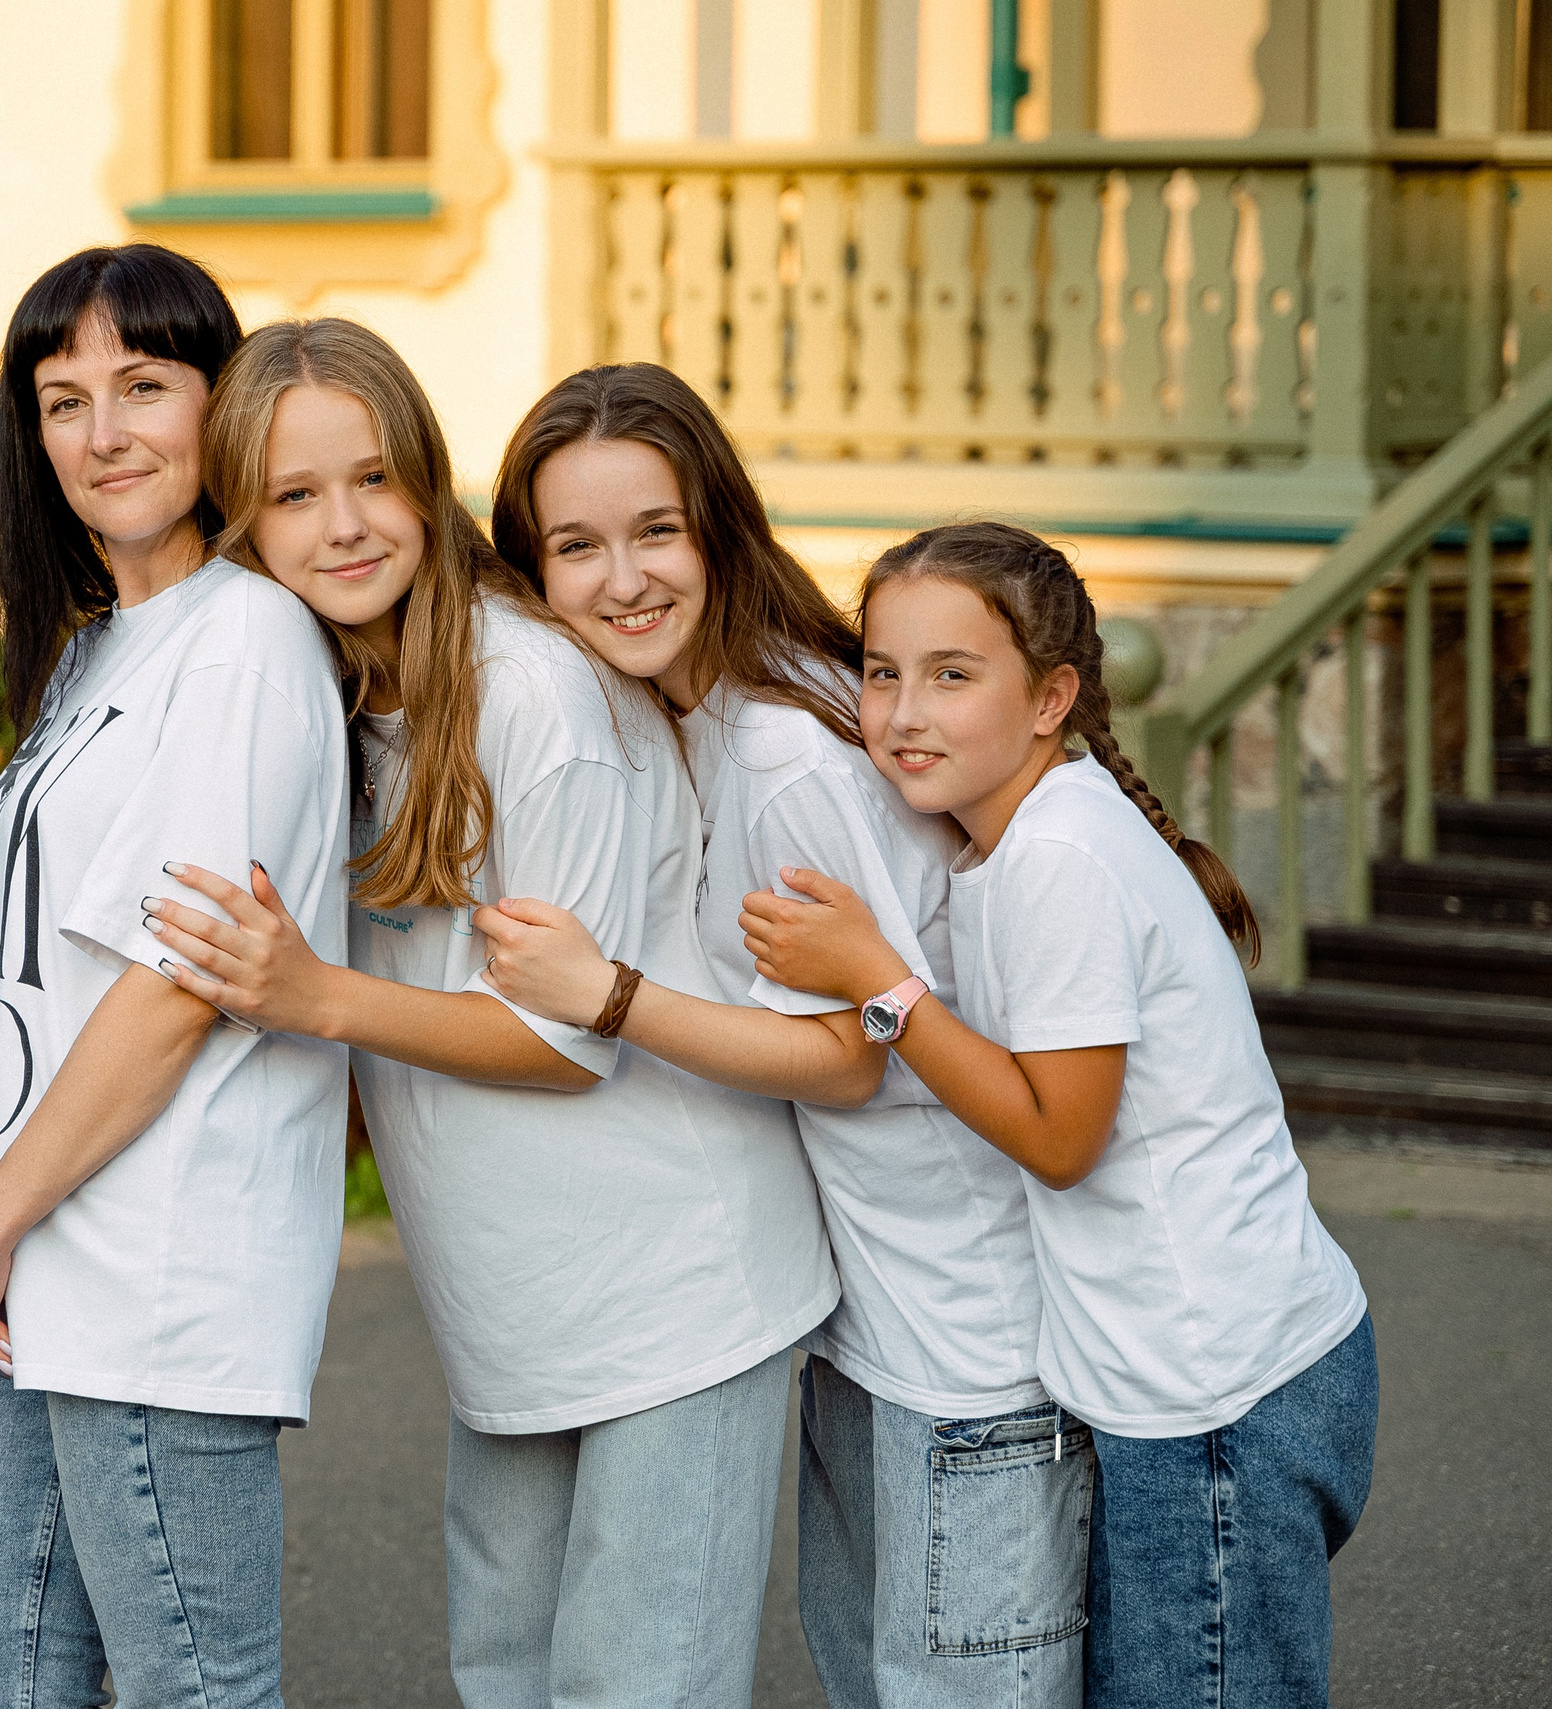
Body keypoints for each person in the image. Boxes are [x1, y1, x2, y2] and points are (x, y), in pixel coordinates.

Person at [144, 319, 837, 1709]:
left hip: (674, 1289)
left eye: (374, 480)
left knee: (634, 1687)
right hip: (513, 1300)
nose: (344, 526)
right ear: (244, 521)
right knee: (509, 1671)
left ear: (428, 480)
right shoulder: (334, 688)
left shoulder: (533, 694)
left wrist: (320, 997)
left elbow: (563, 1041)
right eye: (293, 495)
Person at [470, 365, 1090, 1709]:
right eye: (576, 545)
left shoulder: (780, 752)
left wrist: (609, 993)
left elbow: (851, 1050)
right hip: (872, 1312)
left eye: (656, 531)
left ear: (718, 531)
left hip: (964, 1326)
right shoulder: (702, 711)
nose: (622, 576)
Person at [738, 520, 1378, 1709]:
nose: (904, 711)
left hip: (1219, 1392)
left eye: (952, 674)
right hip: (1205, 1377)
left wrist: (876, 978)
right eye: (883, 672)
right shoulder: (1029, 832)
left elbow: (1060, 1137)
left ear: (1051, 698)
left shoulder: (1060, 857)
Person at [0, 244, 352, 1709]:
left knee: (193, 1689)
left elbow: (174, 988)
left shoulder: (244, 643)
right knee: (7, 1681)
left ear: (221, 405)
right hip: (50, 1263)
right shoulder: (99, 653)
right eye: (63, 399)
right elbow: (21, 961)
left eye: (144, 387)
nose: (104, 434)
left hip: (158, 1278)